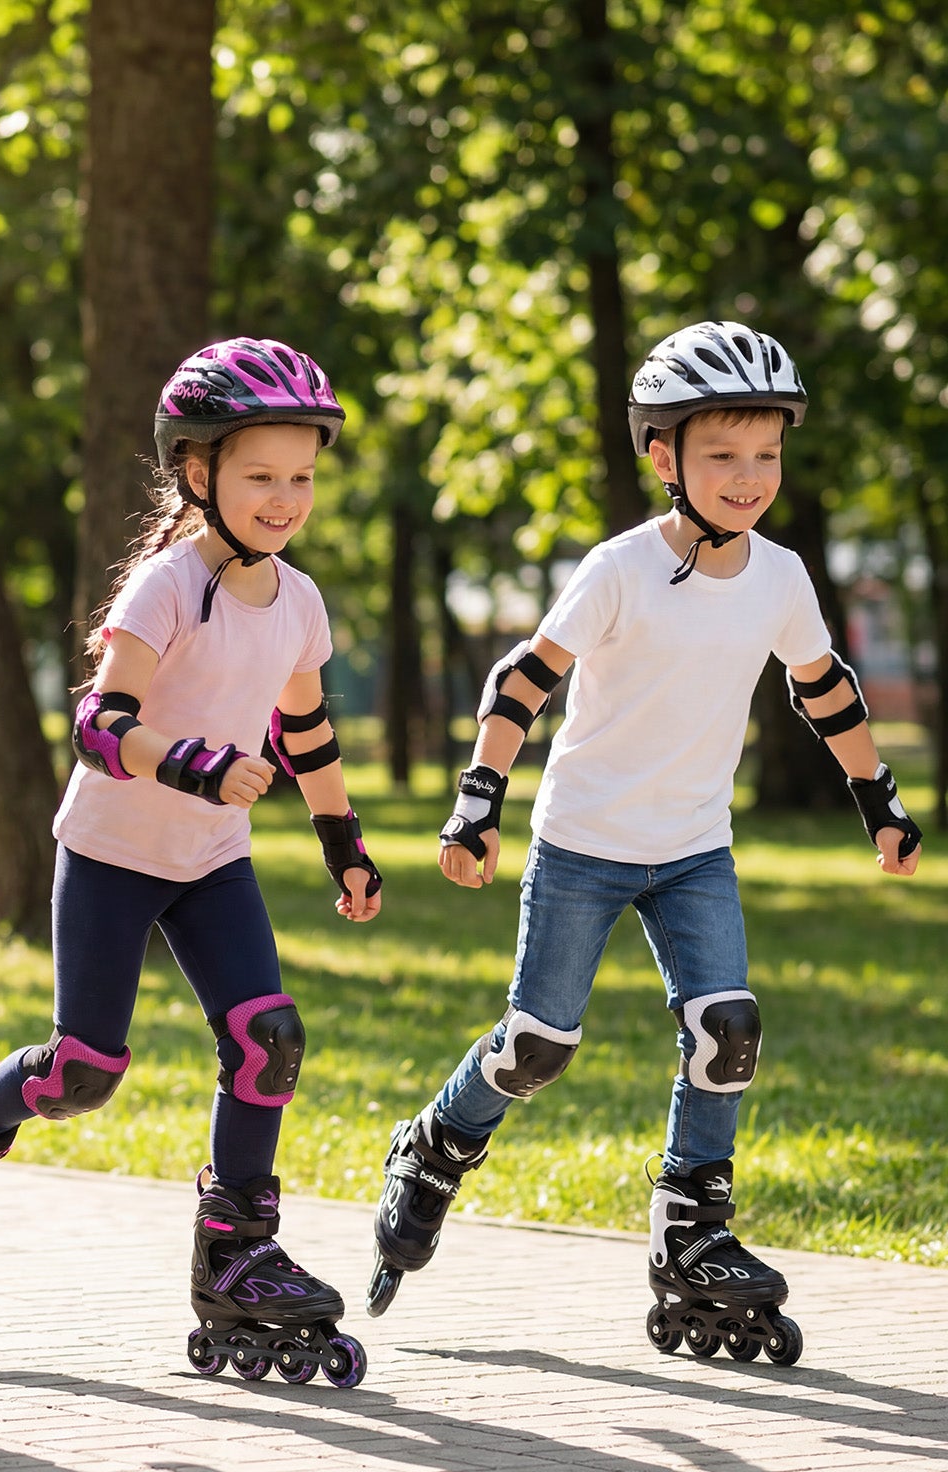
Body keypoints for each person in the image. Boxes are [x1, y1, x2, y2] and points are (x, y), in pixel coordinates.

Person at [368, 320, 922, 1367]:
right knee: (537, 1047)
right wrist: (476, 803)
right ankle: (435, 1142)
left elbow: (826, 689)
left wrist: (879, 801)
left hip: (694, 848)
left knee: (728, 1030)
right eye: (723, 454)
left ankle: (691, 1231)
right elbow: (521, 682)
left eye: (766, 454)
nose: (749, 477)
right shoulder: (619, 568)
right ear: (663, 454)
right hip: (582, 842)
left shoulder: (780, 576)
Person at [0, 338, 381, 1387]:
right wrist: (197, 765)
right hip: (111, 853)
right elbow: (99, 725)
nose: (285, 500)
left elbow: (307, 732)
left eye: (301, 478)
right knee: (83, 1072)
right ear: (197, 471)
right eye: (261, 476)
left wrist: (344, 844)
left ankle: (235, 1254)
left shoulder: (298, 600)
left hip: (211, 861)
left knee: (269, 1039)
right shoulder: (166, 586)